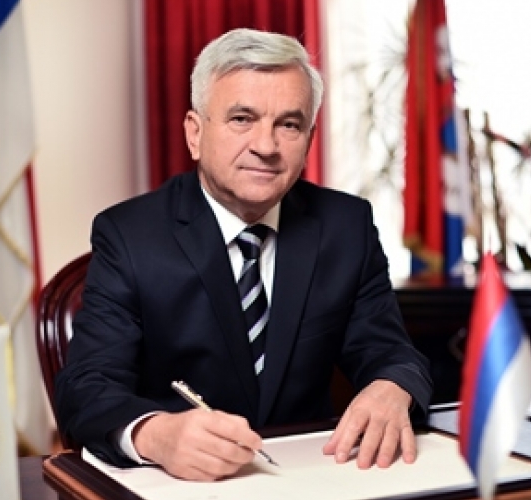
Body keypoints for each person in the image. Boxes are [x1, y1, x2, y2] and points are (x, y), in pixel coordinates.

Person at [54, 27, 432, 482]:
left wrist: (392, 385)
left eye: (288, 125)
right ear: (195, 134)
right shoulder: (130, 236)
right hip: (182, 486)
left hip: (311, 478)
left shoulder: (345, 226)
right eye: (241, 119)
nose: (266, 146)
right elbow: (87, 386)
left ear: (309, 139)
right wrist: (155, 435)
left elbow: (390, 351)